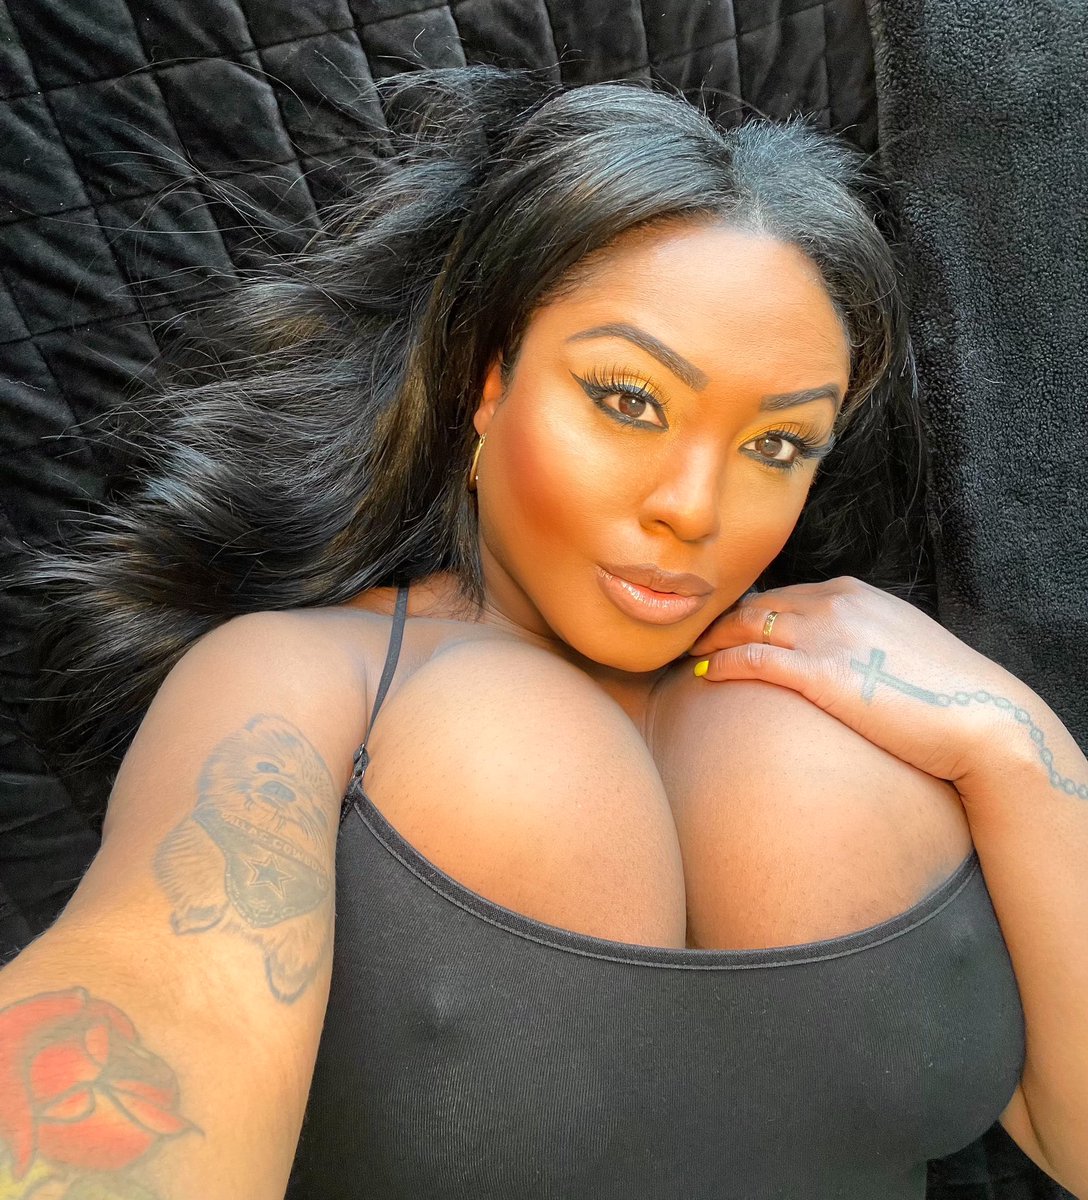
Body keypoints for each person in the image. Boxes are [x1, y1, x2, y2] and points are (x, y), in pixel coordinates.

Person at [2, 65, 1085, 1200]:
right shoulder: (301, 682)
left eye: (775, 445)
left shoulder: (893, 689)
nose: (694, 508)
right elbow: (153, 1009)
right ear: (488, 383)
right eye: (628, 400)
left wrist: (1012, 739)